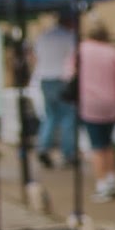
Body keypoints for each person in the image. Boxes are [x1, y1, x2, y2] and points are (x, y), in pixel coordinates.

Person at [65, 21, 115, 202]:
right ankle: (111, 179)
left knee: (96, 146)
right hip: (110, 102)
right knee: (108, 144)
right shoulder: (113, 52)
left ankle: (102, 184)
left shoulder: (81, 50)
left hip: (89, 103)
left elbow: (69, 74)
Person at [30, 12, 78, 168]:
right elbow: (74, 59)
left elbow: (35, 57)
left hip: (44, 78)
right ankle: (68, 153)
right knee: (68, 117)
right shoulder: (68, 37)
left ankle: (43, 148)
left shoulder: (43, 36)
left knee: (50, 116)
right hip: (61, 79)